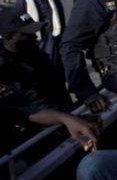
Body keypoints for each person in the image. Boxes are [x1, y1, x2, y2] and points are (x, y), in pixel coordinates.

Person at [0, 9, 98, 155]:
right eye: (26, 34)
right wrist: (65, 119)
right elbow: (26, 111)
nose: (34, 36)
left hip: (62, 121)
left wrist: (74, 114)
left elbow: (58, 87)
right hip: (35, 138)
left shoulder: (35, 54)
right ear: (9, 37)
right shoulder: (4, 69)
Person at [15, 0, 66, 75]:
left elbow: (63, 25)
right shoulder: (22, 2)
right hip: (36, 47)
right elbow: (20, 28)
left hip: (55, 45)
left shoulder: (55, 1)